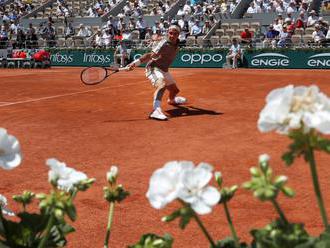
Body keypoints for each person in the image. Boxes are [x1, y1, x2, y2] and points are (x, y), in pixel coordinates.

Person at [126, 25, 187, 121]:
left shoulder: (177, 43)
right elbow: (149, 55)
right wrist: (134, 64)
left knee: (175, 91)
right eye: (170, 33)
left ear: (178, 35)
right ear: (168, 33)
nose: (172, 35)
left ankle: (172, 100)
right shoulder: (163, 43)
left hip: (164, 70)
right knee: (161, 85)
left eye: (174, 34)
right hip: (153, 68)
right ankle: (156, 111)